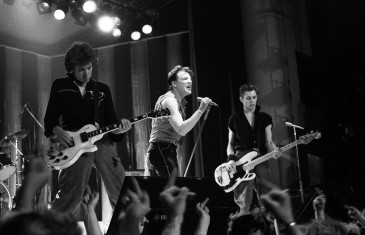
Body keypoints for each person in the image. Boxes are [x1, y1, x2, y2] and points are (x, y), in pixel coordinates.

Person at [44, 41, 131, 219]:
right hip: (73, 144)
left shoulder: (102, 90)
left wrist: (120, 130)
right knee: (71, 194)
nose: (87, 74)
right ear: (71, 69)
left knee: (120, 189)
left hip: (102, 142)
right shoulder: (60, 86)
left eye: (90, 68)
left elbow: (112, 123)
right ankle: (53, 228)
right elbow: (50, 119)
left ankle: (128, 227)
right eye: (81, 69)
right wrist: (56, 130)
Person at [145, 65, 212, 176]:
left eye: (190, 79)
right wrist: (201, 110)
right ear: (174, 83)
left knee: (172, 189)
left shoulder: (179, 102)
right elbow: (181, 129)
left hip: (167, 148)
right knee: (172, 190)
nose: (189, 81)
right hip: (161, 148)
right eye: (185, 79)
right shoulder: (169, 100)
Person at [226, 83, 279, 216]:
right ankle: (243, 219)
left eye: (254, 97)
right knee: (244, 197)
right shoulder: (234, 119)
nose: (252, 101)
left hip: (259, 157)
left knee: (266, 191)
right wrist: (230, 160)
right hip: (241, 159)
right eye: (248, 98)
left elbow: (269, 142)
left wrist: (275, 150)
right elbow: (230, 144)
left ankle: (268, 222)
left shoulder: (265, 118)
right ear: (241, 99)